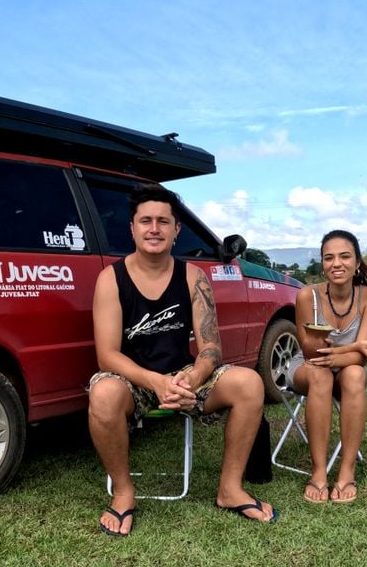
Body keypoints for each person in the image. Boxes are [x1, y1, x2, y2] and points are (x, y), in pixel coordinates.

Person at [88, 184, 277, 535]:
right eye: (146, 221)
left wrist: (193, 376)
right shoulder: (110, 279)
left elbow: (211, 347)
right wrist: (156, 382)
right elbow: (107, 355)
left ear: (177, 229)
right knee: (103, 392)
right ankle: (124, 493)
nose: (154, 229)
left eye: (163, 221)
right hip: (134, 381)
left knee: (250, 383)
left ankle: (230, 489)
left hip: (185, 376)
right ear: (132, 228)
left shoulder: (193, 277)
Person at [289, 230, 367, 505]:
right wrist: (352, 349)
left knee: (355, 375)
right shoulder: (307, 296)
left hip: (347, 367)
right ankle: (318, 471)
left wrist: (343, 353)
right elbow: (310, 352)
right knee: (321, 375)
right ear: (322, 264)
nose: (337, 264)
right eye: (329, 258)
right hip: (308, 365)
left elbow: (362, 357)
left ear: (357, 262)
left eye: (345, 256)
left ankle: (347, 470)